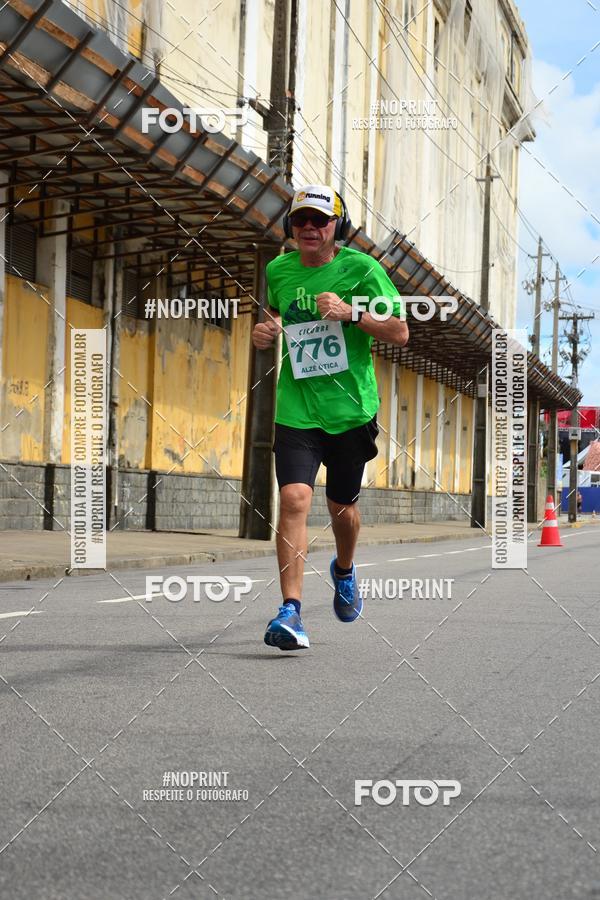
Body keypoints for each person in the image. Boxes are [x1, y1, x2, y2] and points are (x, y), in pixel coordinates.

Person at [252, 184, 409, 651]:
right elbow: (275, 311)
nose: (309, 228)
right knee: (294, 498)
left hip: (350, 410)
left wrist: (351, 313)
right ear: (290, 225)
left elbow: (400, 331)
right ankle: (291, 611)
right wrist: (266, 329)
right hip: (297, 408)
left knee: (342, 508)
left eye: (320, 220)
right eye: (301, 219)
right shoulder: (278, 269)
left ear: (337, 227)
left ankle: (344, 569)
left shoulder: (363, 270)